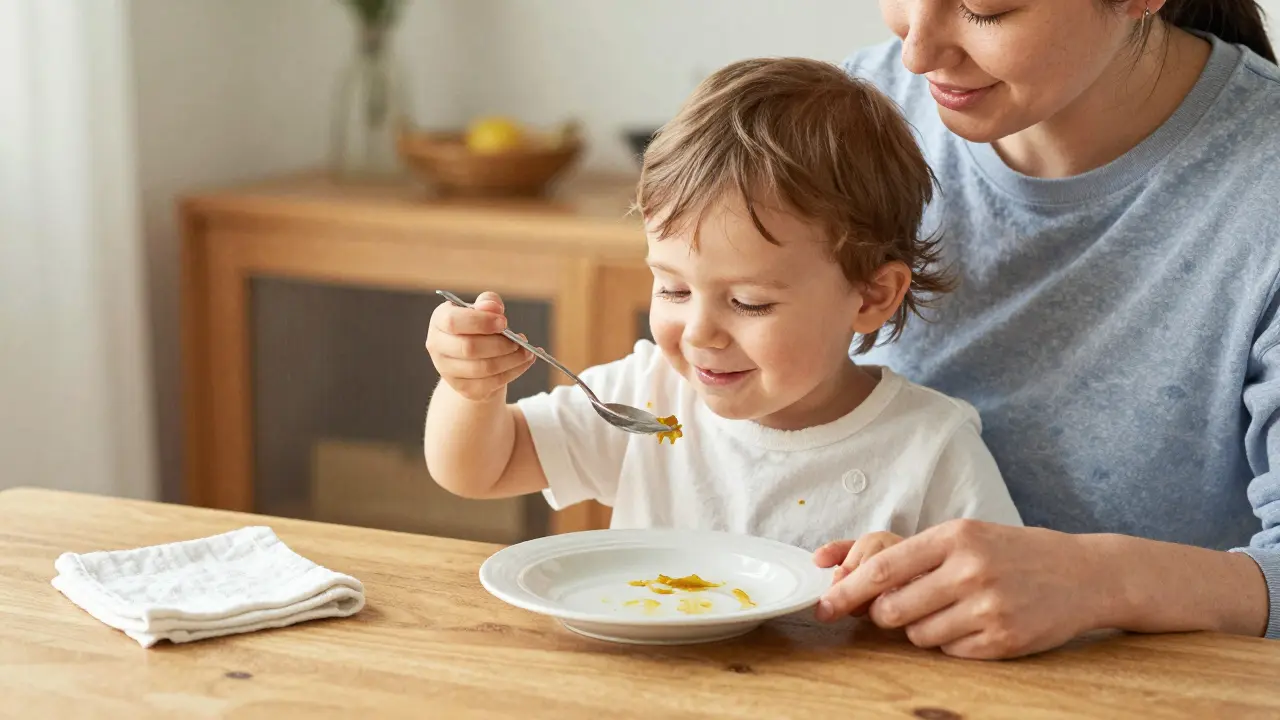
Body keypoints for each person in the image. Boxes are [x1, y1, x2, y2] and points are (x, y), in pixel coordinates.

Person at [812, 0, 1280, 659]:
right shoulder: (856, 117)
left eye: (985, 10)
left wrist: (1101, 582)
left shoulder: (1262, 192)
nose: (916, 53)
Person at [422, 57, 1022, 556]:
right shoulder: (646, 401)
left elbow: (992, 593)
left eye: (748, 302)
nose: (699, 333)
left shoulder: (931, 450)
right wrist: (470, 391)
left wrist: (914, 582)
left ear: (871, 296)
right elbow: (479, 469)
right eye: (673, 290)